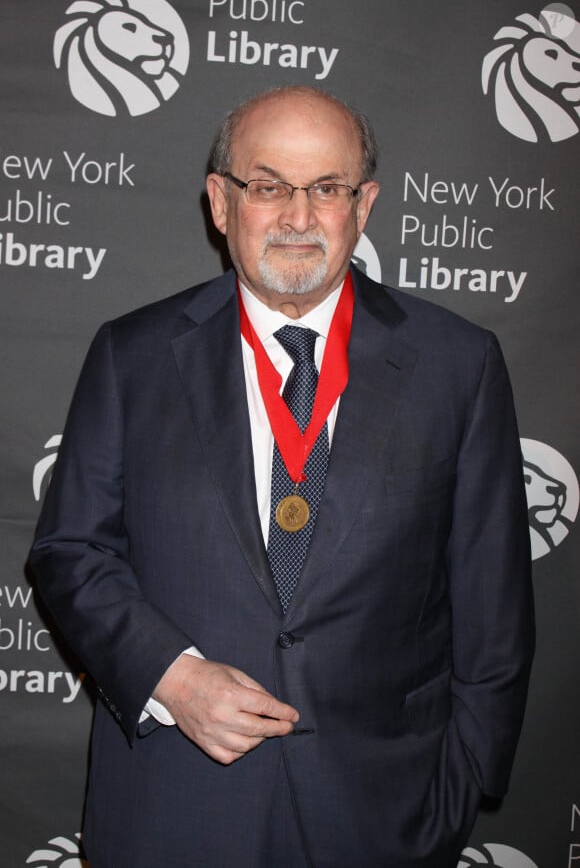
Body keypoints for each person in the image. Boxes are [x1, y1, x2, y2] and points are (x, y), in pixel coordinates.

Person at [30, 86, 534, 867]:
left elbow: (494, 610)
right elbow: (69, 553)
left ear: (362, 205)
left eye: (326, 188)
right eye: (267, 187)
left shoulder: (458, 365)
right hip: (172, 806)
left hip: (384, 817)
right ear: (221, 204)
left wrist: (455, 795)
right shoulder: (131, 356)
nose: (299, 217)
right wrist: (173, 679)